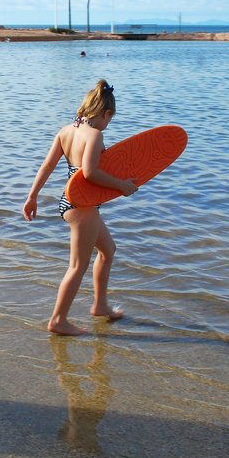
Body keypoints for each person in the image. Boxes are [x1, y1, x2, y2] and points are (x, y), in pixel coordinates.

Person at [22, 80, 137, 336]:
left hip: (72, 201)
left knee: (108, 250)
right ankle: (58, 320)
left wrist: (32, 197)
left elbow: (47, 167)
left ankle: (100, 305)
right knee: (77, 266)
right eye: (110, 119)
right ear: (105, 113)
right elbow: (90, 172)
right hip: (82, 205)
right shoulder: (95, 135)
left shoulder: (66, 130)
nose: (108, 124)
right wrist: (122, 186)